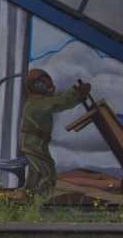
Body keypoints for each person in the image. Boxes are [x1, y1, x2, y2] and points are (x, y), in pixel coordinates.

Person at [20, 68, 90, 202]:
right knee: (48, 173)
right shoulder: (36, 104)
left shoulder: (36, 101)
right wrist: (75, 92)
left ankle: (26, 200)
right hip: (34, 143)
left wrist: (77, 95)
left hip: (34, 143)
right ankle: (42, 202)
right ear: (36, 86)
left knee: (36, 173)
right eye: (44, 83)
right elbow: (58, 103)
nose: (48, 86)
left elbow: (58, 102)